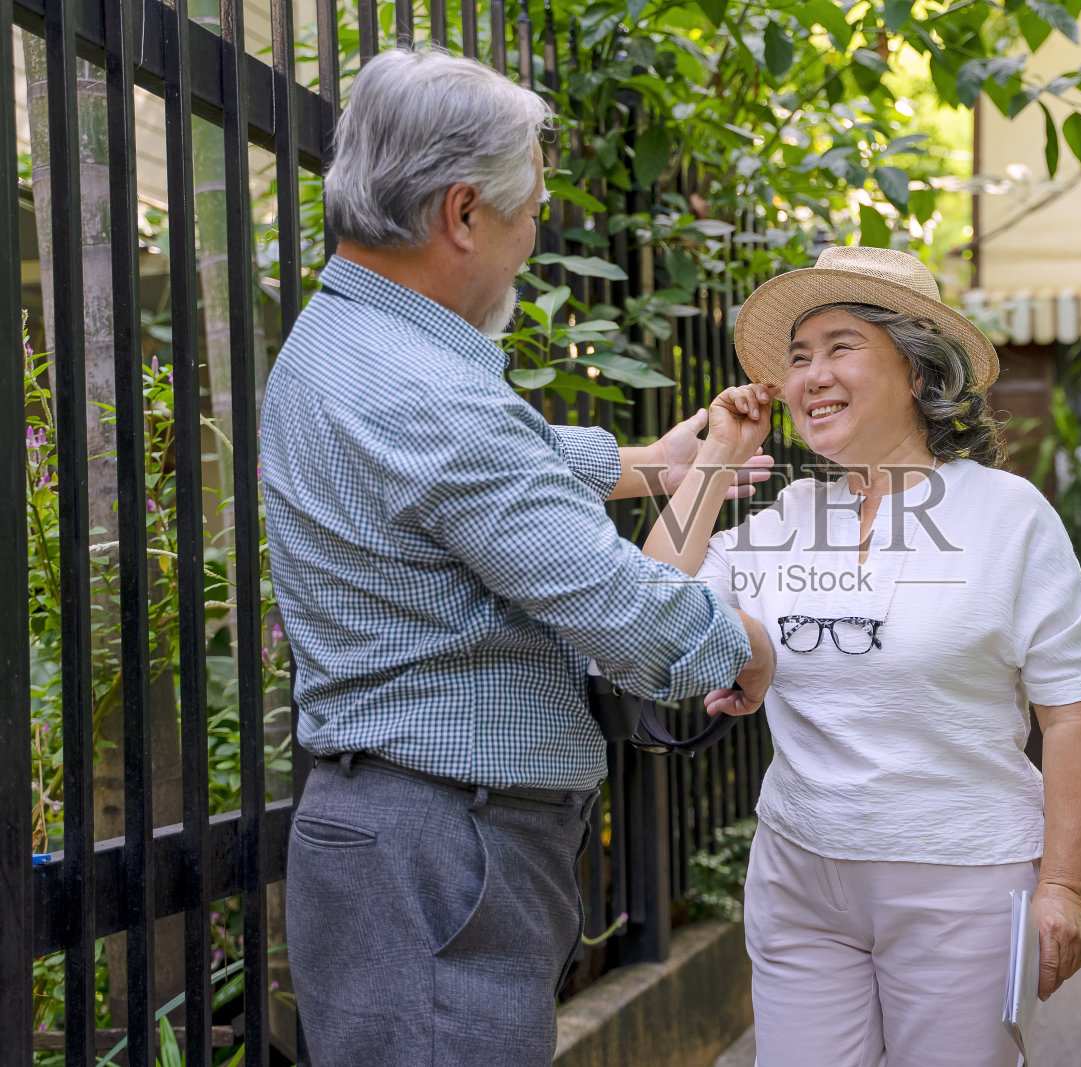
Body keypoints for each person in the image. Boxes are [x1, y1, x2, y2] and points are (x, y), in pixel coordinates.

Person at [259, 45, 774, 1067]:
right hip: (444, 852)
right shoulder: (430, 395)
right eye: (530, 211)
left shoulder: (340, 338)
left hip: (389, 837)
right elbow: (632, 619)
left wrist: (653, 464)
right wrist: (747, 646)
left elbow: (473, 474)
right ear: (463, 213)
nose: (532, 240)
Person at [642, 246, 1081, 1067]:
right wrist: (716, 459)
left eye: (841, 346)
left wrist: (1064, 887)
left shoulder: (1007, 515)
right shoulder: (791, 516)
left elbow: (1074, 713)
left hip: (959, 877)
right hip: (800, 876)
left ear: (918, 372)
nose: (811, 374)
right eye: (798, 357)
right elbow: (653, 599)